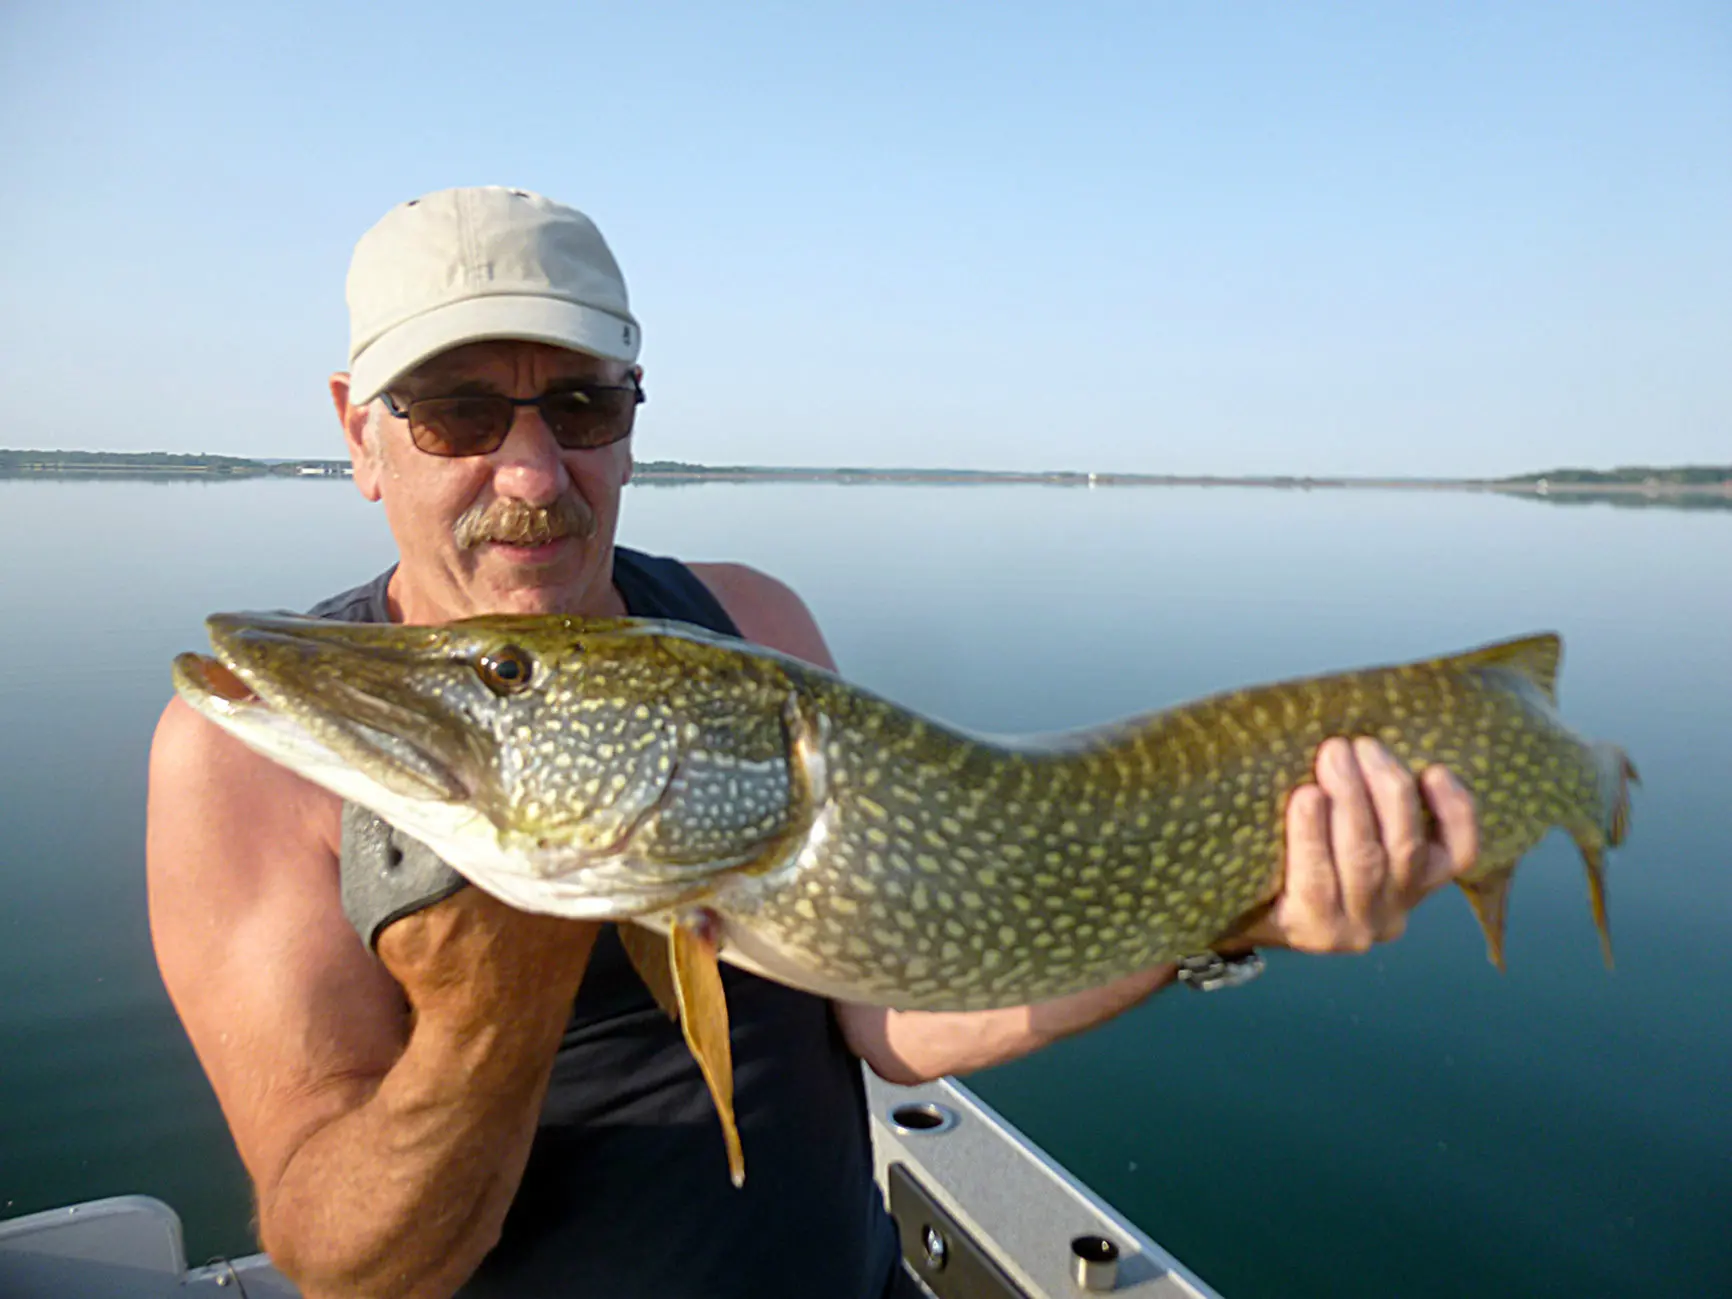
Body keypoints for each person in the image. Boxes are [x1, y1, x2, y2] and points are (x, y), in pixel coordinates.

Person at [145, 186, 1481, 1299]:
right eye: (456, 410)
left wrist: (1226, 905)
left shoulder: (749, 623)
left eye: (586, 406)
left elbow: (888, 1011)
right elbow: (349, 1263)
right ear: (357, 434)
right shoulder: (243, 767)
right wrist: (499, 1001)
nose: (537, 473)